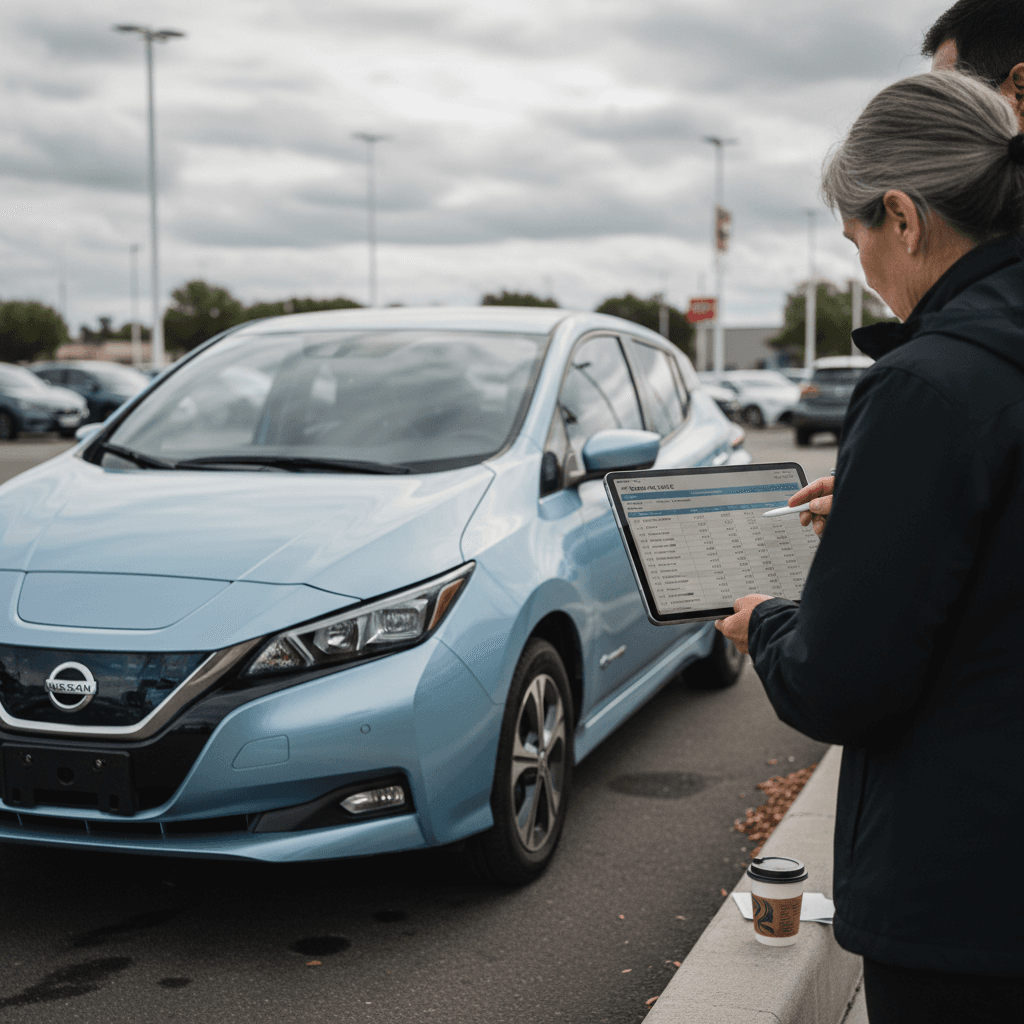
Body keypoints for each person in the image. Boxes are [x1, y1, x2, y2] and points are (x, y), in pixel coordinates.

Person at [716, 72, 1024, 1023]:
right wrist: (886, 505)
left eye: (856, 243)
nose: (864, 274)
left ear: (902, 217)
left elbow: (842, 683)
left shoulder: (927, 384)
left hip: (969, 904)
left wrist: (767, 623)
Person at [792, 0, 1023, 537]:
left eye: (957, 93)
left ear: (903, 220)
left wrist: (884, 516)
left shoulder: (929, 381)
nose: (945, 113)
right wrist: (905, 486)